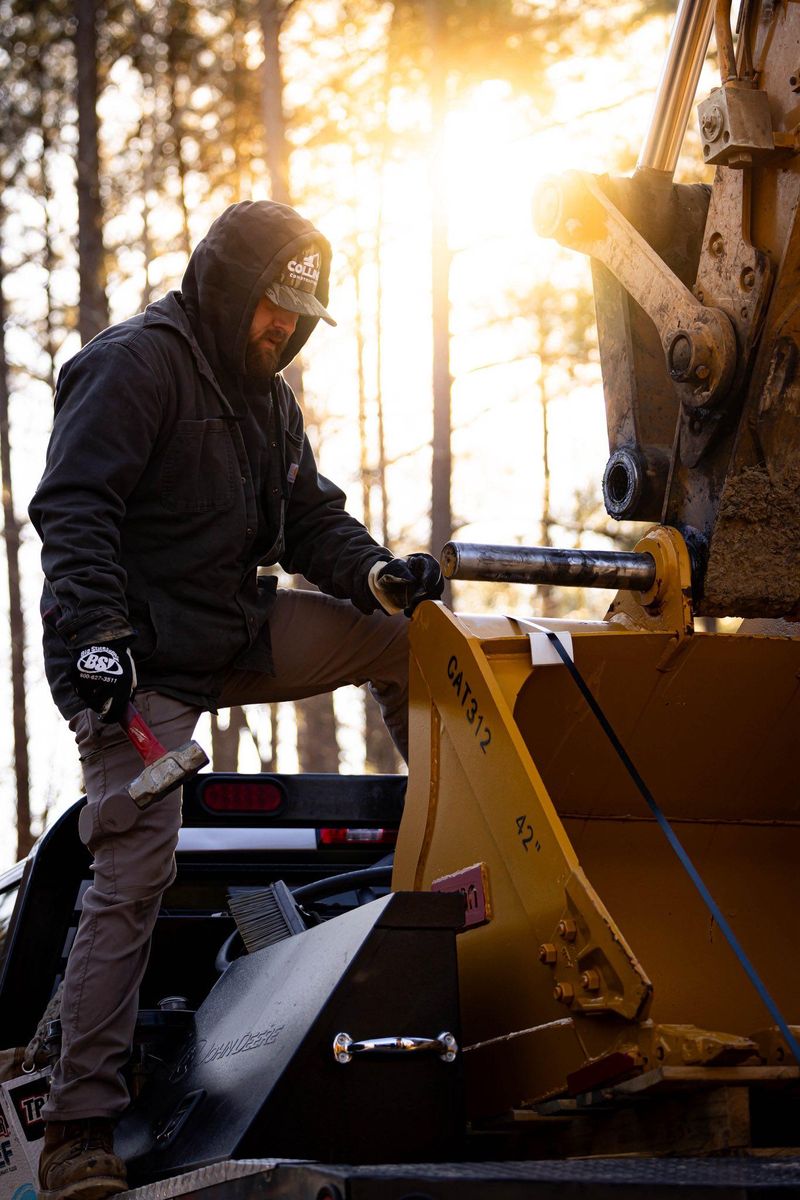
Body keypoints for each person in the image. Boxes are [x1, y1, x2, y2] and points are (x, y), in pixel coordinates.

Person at [28, 199, 443, 1200]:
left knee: (411, 644)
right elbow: (74, 508)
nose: (283, 327)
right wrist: (96, 640)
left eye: (299, 315)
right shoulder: (134, 366)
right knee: (136, 862)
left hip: (229, 627)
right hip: (133, 662)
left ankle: (450, 843)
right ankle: (79, 1127)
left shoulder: (269, 400)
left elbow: (310, 520)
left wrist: (378, 576)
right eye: (271, 306)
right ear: (226, 287)